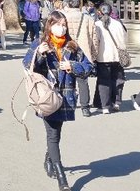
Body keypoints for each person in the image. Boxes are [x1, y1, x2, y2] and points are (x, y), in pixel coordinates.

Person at [23, 11, 93, 191]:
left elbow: (88, 67)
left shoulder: (72, 46)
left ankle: (49, 158)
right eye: (57, 24)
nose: (61, 27)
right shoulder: (40, 44)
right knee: (52, 135)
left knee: (57, 133)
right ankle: (62, 178)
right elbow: (27, 64)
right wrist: (39, 55)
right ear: (49, 25)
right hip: (47, 96)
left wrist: (73, 66)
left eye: (64, 24)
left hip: (66, 98)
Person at [62, 0, 98, 117]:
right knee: (83, 79)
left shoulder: (63, 17)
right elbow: (94, 38)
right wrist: (94, 54)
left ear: (68, 3)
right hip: (83, 49)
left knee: (65, 77)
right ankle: (85, 107)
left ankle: (65, 102)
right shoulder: (88, 18)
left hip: (67, 48)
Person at [94, 2, 127, 114]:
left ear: (100, 12)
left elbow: (95, 41)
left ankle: (105, 106)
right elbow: (124, 38)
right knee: (117, 80)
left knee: (104, 81)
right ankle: (117, 102)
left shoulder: (97, 24)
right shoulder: (118, 24)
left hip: (103, 57)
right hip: (117, 56)